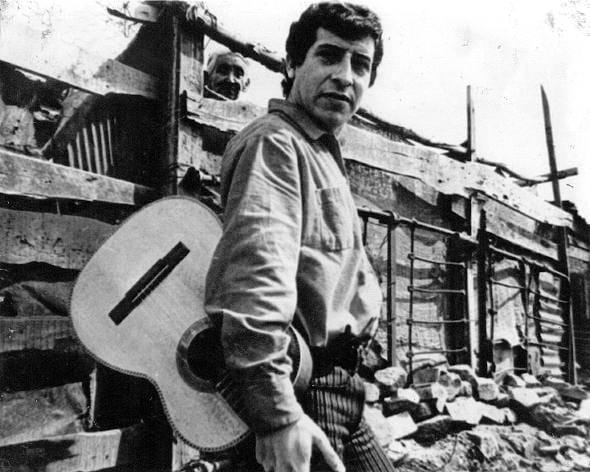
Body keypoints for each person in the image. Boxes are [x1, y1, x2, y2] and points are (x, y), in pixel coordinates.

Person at [205, 2, 395, 471]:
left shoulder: (318, 150)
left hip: (342, 388)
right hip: (304, 388)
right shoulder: (276, 144)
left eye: (361, 64)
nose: (345, 77)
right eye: (328, 56)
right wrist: (278, 416)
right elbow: (256, 279)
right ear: (291, 64)